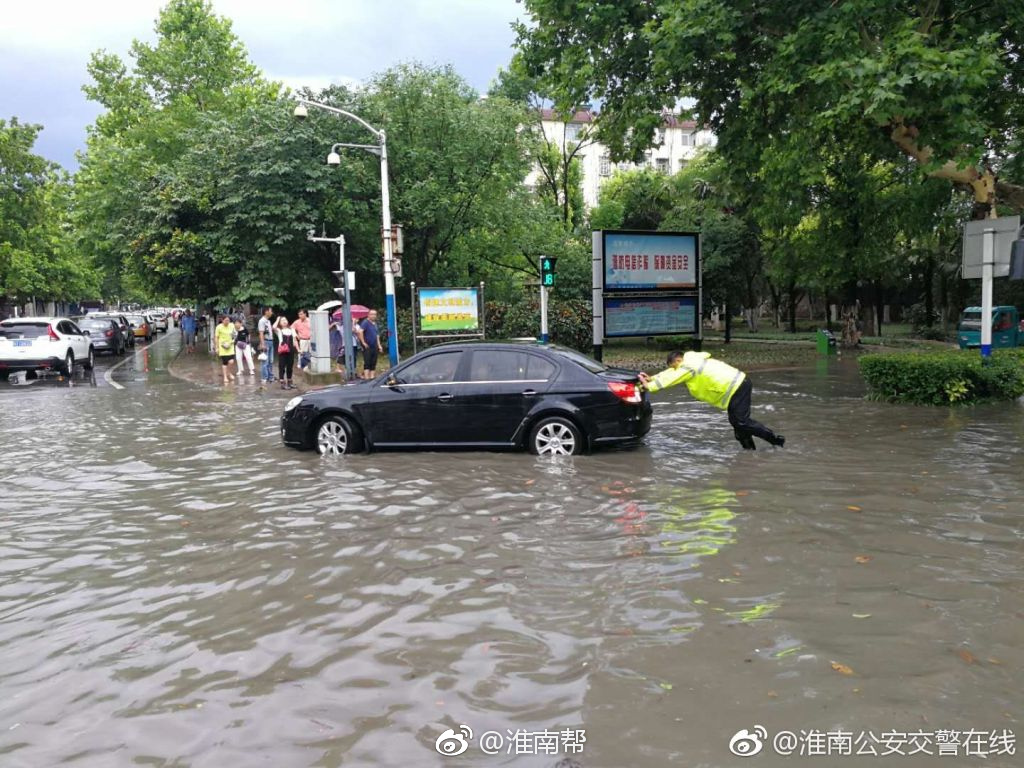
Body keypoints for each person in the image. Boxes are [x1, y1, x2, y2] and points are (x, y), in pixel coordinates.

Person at [638, 350, 785, 451]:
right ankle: (749, 452)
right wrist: (653, 378)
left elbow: (674, 376)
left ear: (678, 360)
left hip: (738, 386)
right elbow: (672, 373)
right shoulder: (691, 360)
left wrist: (650, 386)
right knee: (737, 423)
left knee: (741, 421)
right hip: (737, 385)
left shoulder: (689, 366)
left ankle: (775, 440)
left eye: (675, 366)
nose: (676, 369)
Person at [355, 308, 384, 379]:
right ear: (368, 315)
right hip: (367, 346)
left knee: (373, 362)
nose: (373, 316)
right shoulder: (365, 322)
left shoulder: (375, 324)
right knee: (367, 362)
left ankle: (372, 377)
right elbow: (360, 331)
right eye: (372, 314)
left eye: (375, 314)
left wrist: (379, 345)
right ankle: (367, 378)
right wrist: (363, 342)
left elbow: (377, 335)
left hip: (375, 345)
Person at [274, 316, 298, 390]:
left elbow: (294, 340)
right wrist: (278, 319)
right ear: (280, 323)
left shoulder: (291, 329)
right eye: (282, 320)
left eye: (285, 320)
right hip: (282, 350)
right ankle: (282, 383)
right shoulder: (279, 330)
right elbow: (273, 327)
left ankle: (290, 382)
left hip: (291, 350)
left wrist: (298, 349)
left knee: (290, 366)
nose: (284, 321)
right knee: (282, 366)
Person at [214, 314, 237, 384]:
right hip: (223, 347)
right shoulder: (219, 327)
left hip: (230, 346)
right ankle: (225, 376)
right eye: (226, 320)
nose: (227, 322)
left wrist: (232, 341)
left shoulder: (232, 325)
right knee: (225, 362)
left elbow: (234, 335)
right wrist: (217, 347)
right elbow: (216, 337)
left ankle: (229, 373)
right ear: (222, 320)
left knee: (231, 361)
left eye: (228, 320)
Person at [258, 307, 275, 383]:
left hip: (271, 341)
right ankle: (264, 377)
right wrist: (262, 344)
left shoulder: (268, 321)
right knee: (265, 361)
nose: (272, 312)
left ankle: (270, 376)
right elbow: (261, 333)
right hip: (266, 342)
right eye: (270, 311)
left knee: (270, 360)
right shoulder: (262, 321)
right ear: (266, 312)